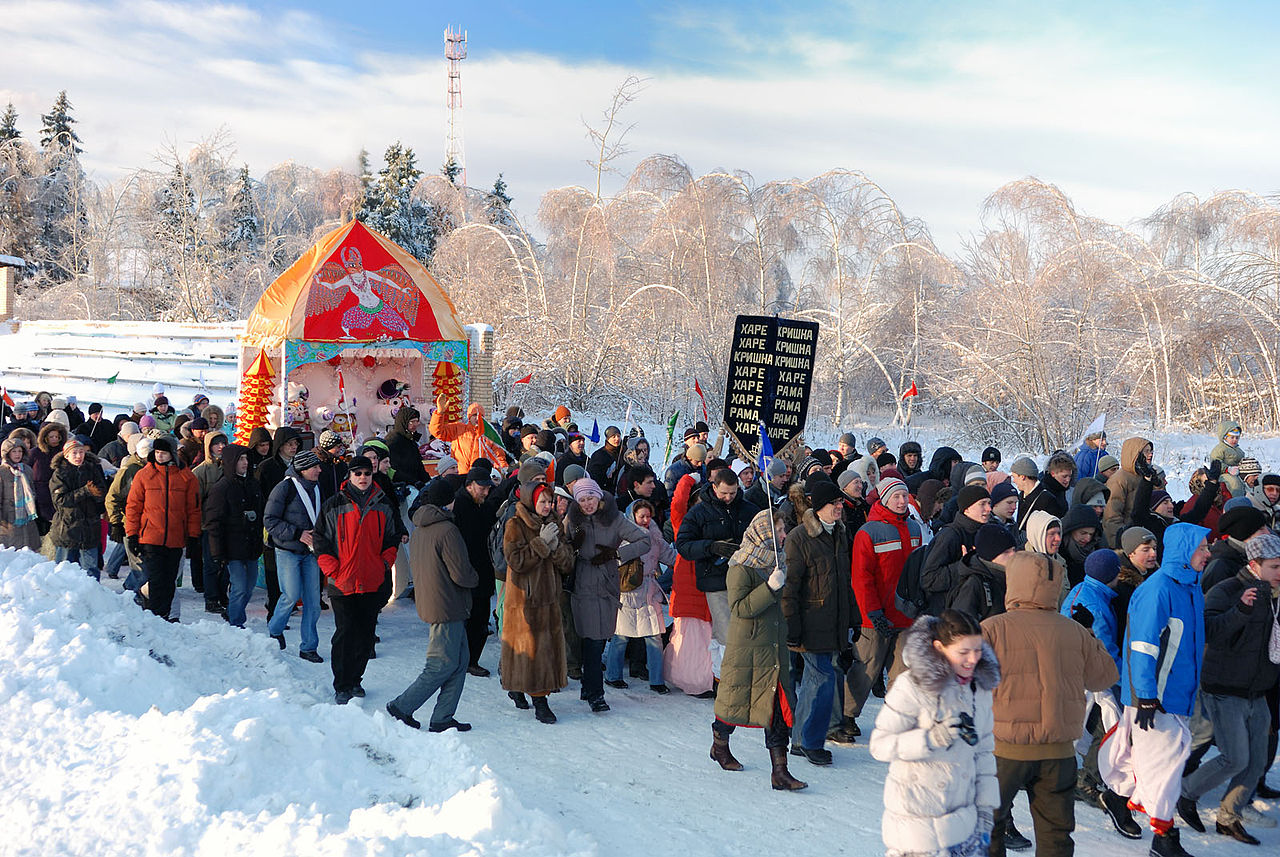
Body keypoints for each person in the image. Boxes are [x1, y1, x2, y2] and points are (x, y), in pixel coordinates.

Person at [983, 551, 1119, 857]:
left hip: (1004, 752)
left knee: (986, 828)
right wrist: (1087, 633)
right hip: (1058, 753)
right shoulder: (1073, 631)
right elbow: (1104, 676)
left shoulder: (992, 628)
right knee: (1056, 837)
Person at [1100, 523, 1211, 857]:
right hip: (1155, 699)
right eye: (1202, 548)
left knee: (1155, 761)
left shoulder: (1191, 588)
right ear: (1184, 552)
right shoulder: (1159, 590)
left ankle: (1119, 798)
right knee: (1166, 766)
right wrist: (1145, 695)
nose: (1208, 554)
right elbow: (1142, 646)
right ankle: (1164, 840)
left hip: (1178, 694)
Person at [1176, 532, 1280, 845]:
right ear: (1254, 565)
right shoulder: (1229, 589)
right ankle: (1185, 793)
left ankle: (1228, 817)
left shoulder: (1276, 596)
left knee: (1258, 759)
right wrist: (1242, 612)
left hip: (1257, 689)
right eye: (1275, 567)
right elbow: (1208, 630)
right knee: (1235, 758)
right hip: (1224, 688)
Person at [871, 610, 1000, 857]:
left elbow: (984, 751)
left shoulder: (978, 689)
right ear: (939, 647)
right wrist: (929, 739)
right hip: (917, 825)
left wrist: (985, 810)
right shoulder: (912, 685)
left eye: (977, 650)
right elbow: (880, 745)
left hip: (963, 824)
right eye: (963, 652)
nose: (972, 660)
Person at [709, 509, 807, 791]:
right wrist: (769, 586)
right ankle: (719, 745)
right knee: (735, 703)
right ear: (764, 531)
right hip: (749, 649)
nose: (783, 535)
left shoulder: (774, 562)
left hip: (773, 648)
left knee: (776, 709)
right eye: (778, 530)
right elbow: (740, 608)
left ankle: (780, 772)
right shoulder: (740, 566)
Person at [384, 476, 477, 727]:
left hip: (436, 601)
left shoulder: (422, 527)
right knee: (441, 664)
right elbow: (461, 572)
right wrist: (475, 577)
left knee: (458, 661)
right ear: (449, 501)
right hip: (448, 604)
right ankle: (402, 706)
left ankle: (442, 717)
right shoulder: (447, 529)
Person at [781, 479, 855, 767]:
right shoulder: (800, 537)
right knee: (822, 680)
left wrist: (853, 616)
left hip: (833, 620)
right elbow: (790, 587)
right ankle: (810, 742)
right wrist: (792, 626)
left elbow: (843, 581)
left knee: (817, 681)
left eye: (839, 503)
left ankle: (800, 739)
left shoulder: (839, 533)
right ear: (818, 506)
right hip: (810, 622)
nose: (839, 507)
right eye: (833, 503)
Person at [564, 477, 650, 712]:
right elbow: (565, 546)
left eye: (590, 497)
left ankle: (591, 689)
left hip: (606, 585)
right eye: (582, 500)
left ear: (598, 496)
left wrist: (617, 554)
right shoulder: (574, 519)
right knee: (589, 640)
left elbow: (645, 540)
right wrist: (572, 546)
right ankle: (594, 693)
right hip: (581, 585)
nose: (587, 503)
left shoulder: (614, 518)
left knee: (598, 639)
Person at [845, 477, 919, 739]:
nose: (902, 502)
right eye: (896, 497)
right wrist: (872, 611)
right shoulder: (869, 531)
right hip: (874, 615)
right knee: (866, 668)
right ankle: (846, 715)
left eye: (905, 496)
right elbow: (861, 577)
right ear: (885, 500)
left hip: (906, 614)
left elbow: (918, 572)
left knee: (903, 670)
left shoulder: (914, 528)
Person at [501, 480, 574, 724]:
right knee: (530, 650)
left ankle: (520, 687)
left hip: (550, 599)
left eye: (549, 501)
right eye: (542, 501)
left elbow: (567, 563)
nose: (547, 505)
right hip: (525, 599)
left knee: (542, 649)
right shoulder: (515, 524)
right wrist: (541, 543)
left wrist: (554, 547)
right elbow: (516, 561)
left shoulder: (554, 523)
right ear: (531, 501)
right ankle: (540, 701)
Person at [124, 437, 201, 619]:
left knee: (169, 582)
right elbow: (133, 506)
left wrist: (193, 536)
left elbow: (194, 509)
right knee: (158, 581)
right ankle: (156, 619)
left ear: (172, 454)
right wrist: (132, 534)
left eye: (163, 453)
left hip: (175, 538)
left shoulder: (186, 477)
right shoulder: (145, 475)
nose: (159, 456)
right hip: (150, 537)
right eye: (157, 452)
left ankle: (162, 616)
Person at [606, 499, 676, 693]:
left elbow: (670, 557)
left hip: (649, 590)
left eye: (648, 516)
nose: (645, 520)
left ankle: (657, 680)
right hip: (626, 589)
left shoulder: (655, 537)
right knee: (621, 636)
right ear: (633, 516)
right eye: (641, 516)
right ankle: (613, 675)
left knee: (654, 636)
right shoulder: (621, 536)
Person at [263, 448, 325, 662]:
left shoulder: (317, 488)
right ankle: (275, 629)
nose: (319, 469)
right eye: (315, 466)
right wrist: (298, 534)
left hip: (311, 552)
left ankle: (308, 646)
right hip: (288, 550)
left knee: (313, 601)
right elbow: (270, 520)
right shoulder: (284, 488)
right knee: (290, 595)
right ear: (303, 469)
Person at [203, 443, 264, 628]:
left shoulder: (252, 483)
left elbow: (261, 511)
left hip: (251, 545)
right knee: (239, 586)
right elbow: (213, 522)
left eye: (246, 458)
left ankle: (231, 614)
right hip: (232, 547)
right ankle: (236, 623)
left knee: (249, 586)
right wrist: (217, 552)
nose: (245, 463)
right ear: (231, 462)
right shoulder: (222, 487)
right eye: (241, 459)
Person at [450, 467, 501, 676]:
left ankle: (471, 660)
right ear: (469, 485)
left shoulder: (483, 506)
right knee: (465, 621)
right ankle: (461, 660)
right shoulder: (459, 506)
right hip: (465, 574)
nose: (486, 492)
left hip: (482, 573)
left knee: (479, 620)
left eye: (488, 488)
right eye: (482, 488)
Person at [921, 484, 991, 616]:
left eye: (989, 503)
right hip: (946, 615)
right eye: (982, 504)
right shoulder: (950, 536)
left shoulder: (985, 532)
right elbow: (928, 579)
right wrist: (964, 564)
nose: (989, 509)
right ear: (967, 509)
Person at [48, 437, 108, 578]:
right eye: (74, 453)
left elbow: (102, 492)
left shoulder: (92, 469)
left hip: (90, 529)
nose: (78, 456)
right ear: (66, 455)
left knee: (91, 571)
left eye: (81, 452)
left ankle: (92, 597)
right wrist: (85, 491)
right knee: (64, 571)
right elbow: (60, 500)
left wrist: (98, 495)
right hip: (68, 529)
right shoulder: (60, 474)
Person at [949, 522, 1016, 620]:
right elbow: (960, 624)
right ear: (990, 556)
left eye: (1014, 550)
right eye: (1006, 552)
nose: (1013, 555)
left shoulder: (1015, 576)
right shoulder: (974, 583)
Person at [1102, 437, 1154, 545]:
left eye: (1151, 451)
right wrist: (1122, 540)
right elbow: (1112, 516)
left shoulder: (1147, 476)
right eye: (1146, 451)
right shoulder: (1119, 480)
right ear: (1135, 454)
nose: (1150, 455)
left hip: (1143, 534)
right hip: (1127, 538)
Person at [0, 437, 41, 550]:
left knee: (28, 551)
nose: (17, 454)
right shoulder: (2, 471)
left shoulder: (27, 469)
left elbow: (32, 490)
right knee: (12, 551)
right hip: (8, 519)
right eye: (14, 451)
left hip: (27, 515)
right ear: (7, 453)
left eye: (20, 451)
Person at [387, 406, 431, 485]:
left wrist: (428, 481)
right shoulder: (393, 441)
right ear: (403, 422)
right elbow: (395, 469)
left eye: (417, 421)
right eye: (412, 422)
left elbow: (418, 465)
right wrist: (414, 482)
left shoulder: (410, 439)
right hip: (402, 485)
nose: (415, 424)